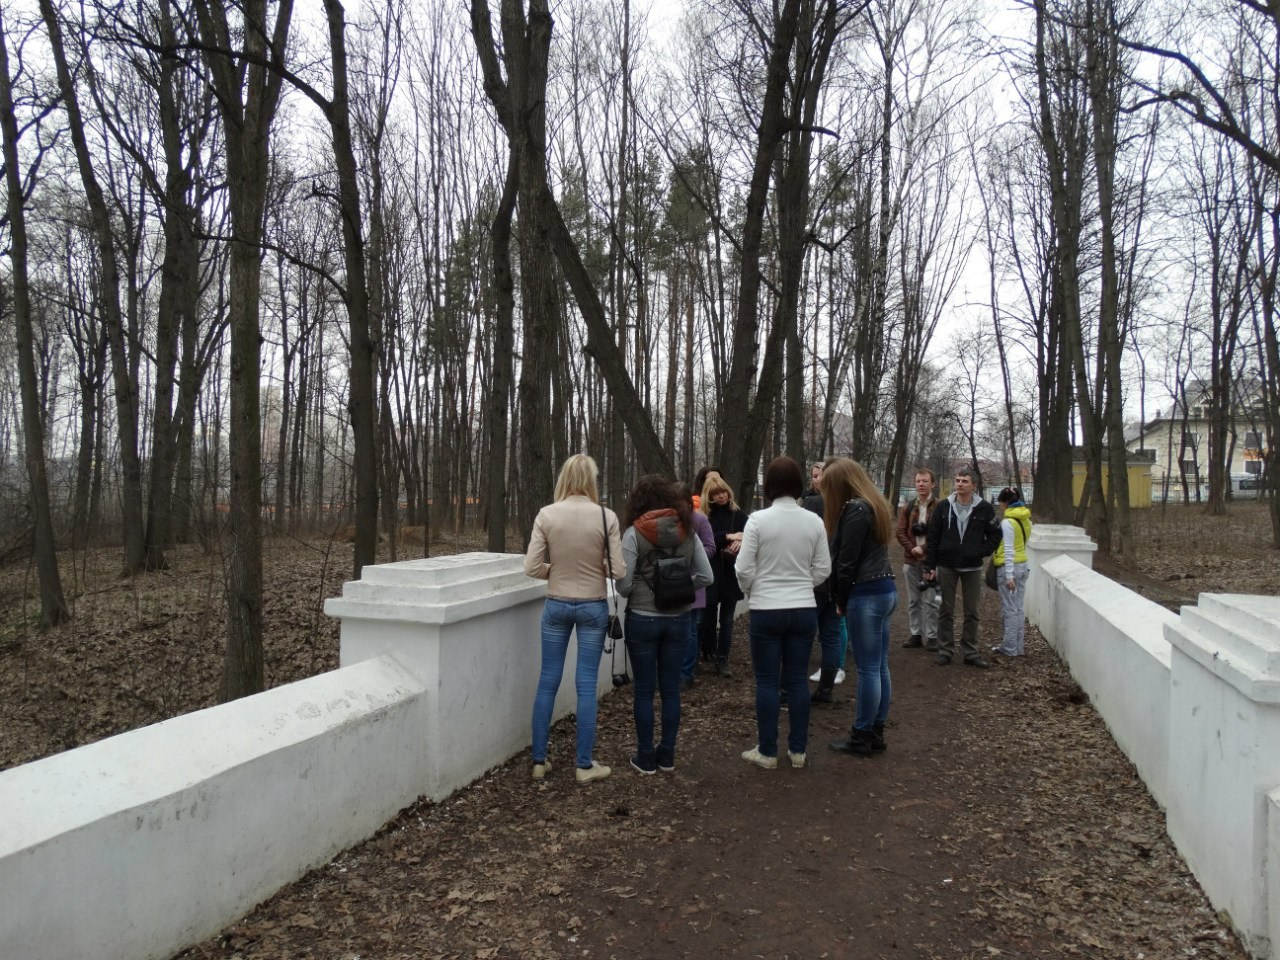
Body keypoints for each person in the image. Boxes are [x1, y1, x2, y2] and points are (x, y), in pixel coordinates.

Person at [523, 453, 625, 783]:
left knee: (547, 681)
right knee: (585, 685)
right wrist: (596, 567)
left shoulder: (547, 515)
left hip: (556, 605)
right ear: (591, 480)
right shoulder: (605, 515)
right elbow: (619, 570)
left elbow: (531, 567)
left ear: (564, 478)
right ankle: (583, 766)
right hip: (592, 606)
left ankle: (539, 761)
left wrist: (558, 570)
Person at [735, 457, 831, 769]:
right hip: (803, 608)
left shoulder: (758, 521)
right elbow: (823, 570)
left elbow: (743, 568)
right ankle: (798, 751)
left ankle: (767, 751)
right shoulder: (814, 522)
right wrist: (804, 584)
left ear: (769, 486)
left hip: (766, 609)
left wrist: (754, 590)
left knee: (766, 681)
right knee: (797, 680)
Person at [617, 475, 714, 774]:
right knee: (671, 689)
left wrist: (644, 591)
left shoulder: (634, 533)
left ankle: (646, 756)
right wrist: (684, 588)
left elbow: (623, 585)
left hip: (643, 619)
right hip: (679, 619)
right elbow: (707, 577)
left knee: (644, 690)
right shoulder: (688, 531)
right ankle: (668, 754)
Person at [822, 458, 898, 758]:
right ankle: (875, 731)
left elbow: (846, 562)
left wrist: (839, 599)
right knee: (879, 665)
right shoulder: (874, 505)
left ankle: (862, 736)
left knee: (868, 668)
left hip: (865, 594)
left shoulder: (855, 509)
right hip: (884, 590)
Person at [922, 466, 1001, 669]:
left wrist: (980, 551)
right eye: (957, 480)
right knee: (946, 609)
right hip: (946, 565)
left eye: (964, 481)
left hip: (972, 567)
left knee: (972, 611)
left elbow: (995, 535)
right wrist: (930, 565)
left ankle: (970, 651)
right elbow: (933, 538)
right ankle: (945, 650)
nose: (959, 484)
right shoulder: (943, 507)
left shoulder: (984, 508)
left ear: (974, 485)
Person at [801, 461, 842, 703]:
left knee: (805, 633)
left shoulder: (813, 504)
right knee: (831, 635)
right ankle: (826, 690)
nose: (816, 480)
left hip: (815, 578)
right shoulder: (848, 505)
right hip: (837, 578)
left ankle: (794, 687)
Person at [700, 475, 748, 676]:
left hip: (730, 572)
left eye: (723, 492)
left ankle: (723, 657)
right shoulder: (705, 517)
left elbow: (749, 533)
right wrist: (729, 536)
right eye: (716, 494)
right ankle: (708, 649)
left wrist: (742, 538)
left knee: (727, 619)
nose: (721, 496)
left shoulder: (738, 514)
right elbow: (709, 539)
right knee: (708, 616)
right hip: (711, 572)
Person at [896, 468, 942, 651]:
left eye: (924, 481)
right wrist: (912, 548)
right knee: (913, 600)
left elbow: (940, 534)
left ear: (933, 484)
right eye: (918, 481)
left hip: (930, 561)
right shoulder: (908, 507)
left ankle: (932, 636)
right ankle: (916, 634)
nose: (921, 484)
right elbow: (899, 532)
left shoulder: (939, 507)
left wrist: (922, 548)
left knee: (931, 599)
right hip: (911, 560)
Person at [677, 483, 717, 691]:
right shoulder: (669, 520)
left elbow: (710, 547)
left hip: (694, 582)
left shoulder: (700, 521)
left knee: (690, 631)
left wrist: (695, 558)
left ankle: (687, 673)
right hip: (671, 585)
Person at [992, 488, 1033, 657]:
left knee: (1009, 609)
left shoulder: (1008, 522)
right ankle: (1018, 646)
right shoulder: (1026, 520)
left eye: (1000, 504)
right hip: (1023, 565)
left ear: (1005, 503)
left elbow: (1009, 549)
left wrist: (1008, 576)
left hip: (1010, 568)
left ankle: (1009, 647)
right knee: (1018, 609)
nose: (1000, 507)